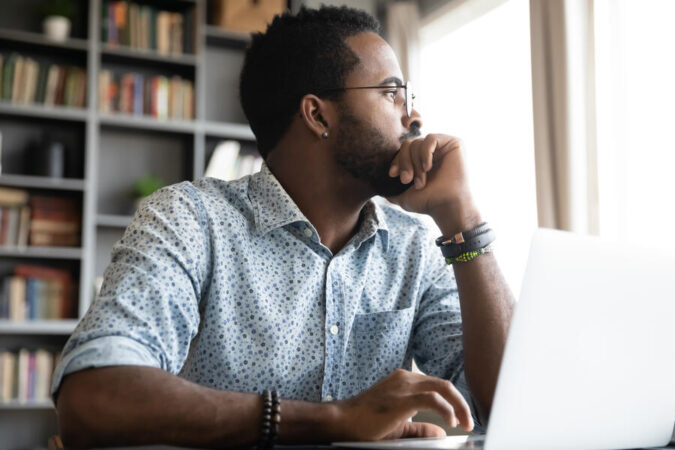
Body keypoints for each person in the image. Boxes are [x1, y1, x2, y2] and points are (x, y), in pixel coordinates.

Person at [53, 5, 514, 448]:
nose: (413, 116)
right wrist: (332, 420)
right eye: (391, 93)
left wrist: (464, 219)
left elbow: (508, 404)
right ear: (317, 115)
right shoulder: (192, 220)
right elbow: (93, 396)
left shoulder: (415, 246)